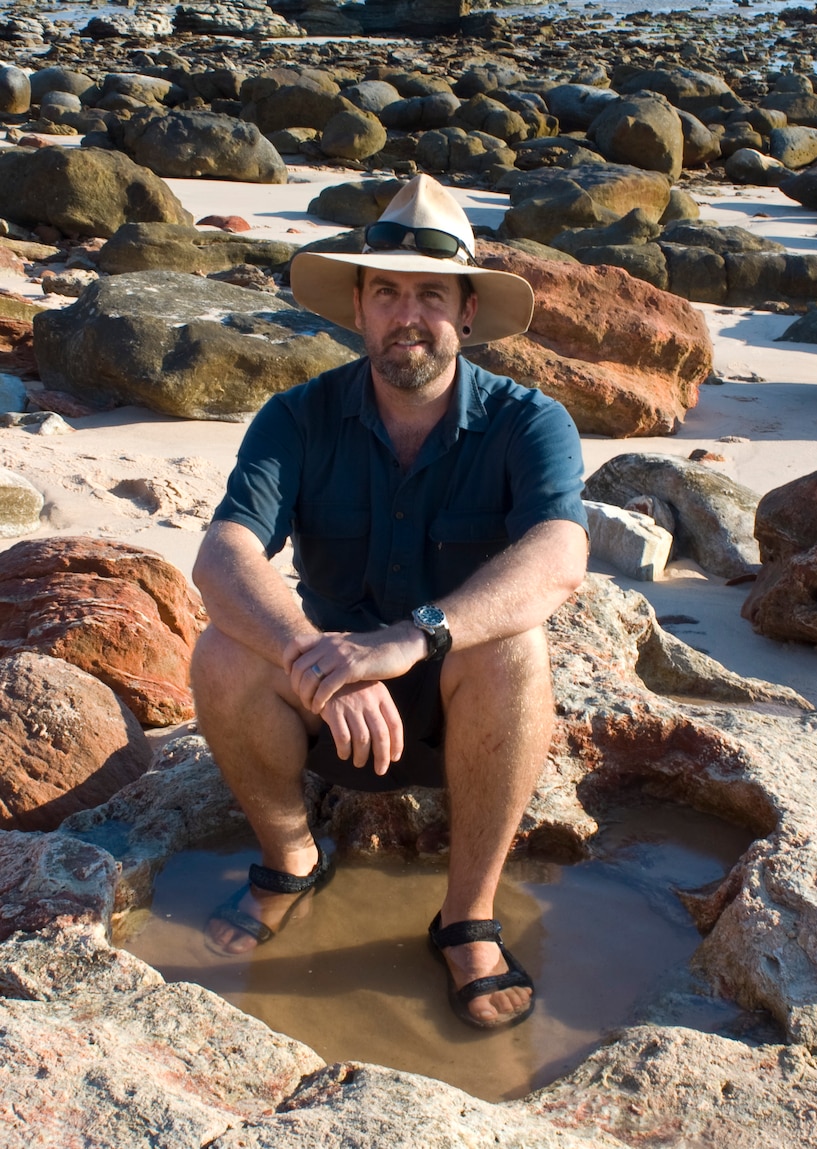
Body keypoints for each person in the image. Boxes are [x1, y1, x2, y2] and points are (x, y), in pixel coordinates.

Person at [190, 174, 590, 1030]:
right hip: (327, 710)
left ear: (468, 313)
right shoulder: (296, 418)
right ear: (360, 310)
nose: (408, 314)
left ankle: (466, 916)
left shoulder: (530, 423)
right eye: (388, 293)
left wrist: (412, 639)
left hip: (461, 720)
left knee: (515, 645)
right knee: (223, 647)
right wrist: (316, 656)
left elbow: (561, 556)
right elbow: (223, 556)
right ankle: (292, 859)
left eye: (431, 295)